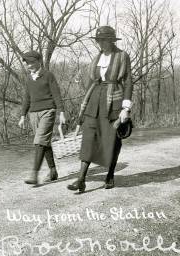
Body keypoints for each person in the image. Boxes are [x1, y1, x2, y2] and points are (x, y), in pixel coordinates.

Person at [67, 26, 133, 193]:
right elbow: (91, 82)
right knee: (88, 138)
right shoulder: (97, 58)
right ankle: (81, 179)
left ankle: (110, 174)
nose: (100, 43)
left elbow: (128, 81)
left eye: (103, 40)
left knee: (112, 139)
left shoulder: (122, 56)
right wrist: (83, 107)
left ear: (111, 40)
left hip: (113, 102)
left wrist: (126, 107)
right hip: (94, 101)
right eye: (98, 40)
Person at [18, 50, 66, 185]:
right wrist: (23, 115)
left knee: (39, 141)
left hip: (48, 111)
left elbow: (56, 94)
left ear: (39, 61)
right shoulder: (28, 79)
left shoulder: (48, 75)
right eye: (27, 63)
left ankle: (34, 174)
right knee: (43, 142)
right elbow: (26, 98)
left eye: (32, 62)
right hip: (33, 113)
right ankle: (53, 171)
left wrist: (61, 112)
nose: (30, 65)